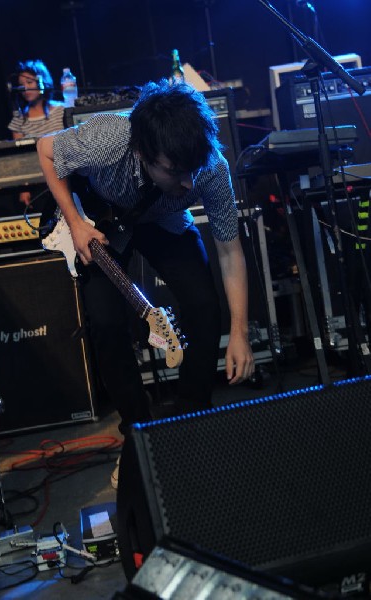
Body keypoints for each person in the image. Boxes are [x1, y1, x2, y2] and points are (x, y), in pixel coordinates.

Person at [37, 79, 255, 487]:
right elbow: (46, 151)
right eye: (174, 170)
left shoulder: (210, 168)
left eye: (192, 169)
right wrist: (76, 222)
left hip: (164, 223)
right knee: (104, 322)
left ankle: (192, 418)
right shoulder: (109, 138)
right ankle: (137, 436)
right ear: (142, 152)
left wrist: (239, 334)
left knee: (205, 306)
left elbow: (230, 252)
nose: (189, 183)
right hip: (100, 221)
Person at [8, 59, 65, 208]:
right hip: (38, 185)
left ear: (42, 81)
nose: (25, 88)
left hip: (65, 177)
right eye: (22, 84)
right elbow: (19, 157)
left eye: (29, 82)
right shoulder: (18, 120)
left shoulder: (61, 111)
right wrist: (24, 188)